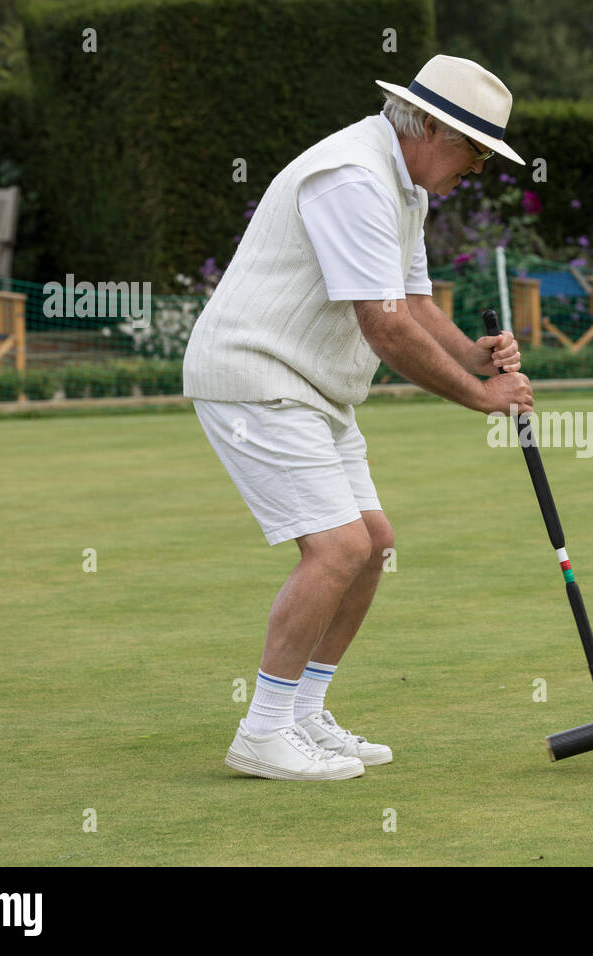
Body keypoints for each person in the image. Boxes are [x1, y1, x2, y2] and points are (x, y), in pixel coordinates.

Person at [182, 54, 533, 781]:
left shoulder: (406, 189)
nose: (477, 169)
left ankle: (303, 714)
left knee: (372, 544)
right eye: (474, 150)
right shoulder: (353, 176)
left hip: (315, 386)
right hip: (255, 374)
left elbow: (416, 303)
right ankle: (263, 733)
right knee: (338, 547)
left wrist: (474, 356)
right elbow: (385, 329)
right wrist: (481, 400)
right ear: (432, 125)